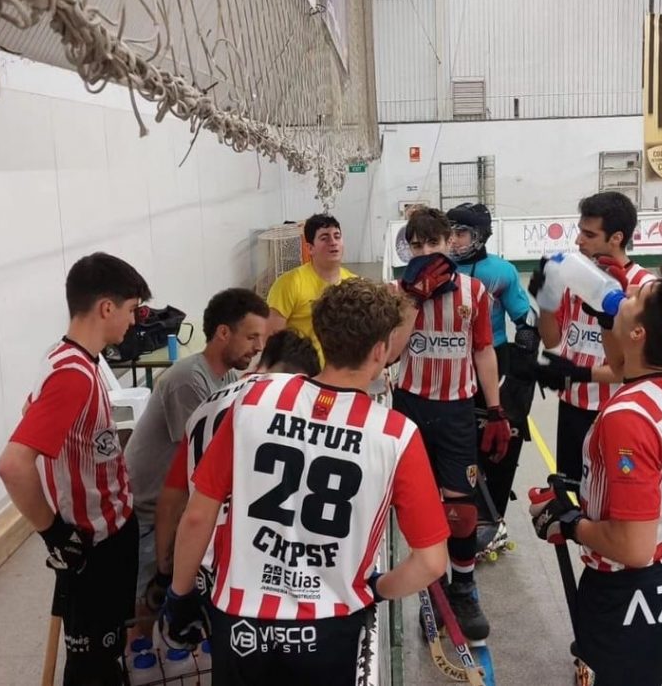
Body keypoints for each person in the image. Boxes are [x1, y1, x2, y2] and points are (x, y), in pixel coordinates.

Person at [158, 279, 449, 685]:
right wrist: (377, 589)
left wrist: (180, 594)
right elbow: (431, 562)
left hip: (242, 621)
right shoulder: (396, 435)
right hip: (330, 626)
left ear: (323, 338)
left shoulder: (252, 403)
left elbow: (197, 515)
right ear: (381, 350)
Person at [530, 260, 662, 686]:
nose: (627, 294)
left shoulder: (628, 419)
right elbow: (622, 367)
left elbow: (633, 547)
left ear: (638, 335)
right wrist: (608, 319)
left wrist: (570, 523)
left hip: (628, 590)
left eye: (636, 297)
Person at [0, 252, 151, 686]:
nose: (133, 321)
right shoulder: (72, 376)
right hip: (93, 543)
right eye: (131, 310)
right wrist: (56, 535)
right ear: (106, 307)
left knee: (106, 654)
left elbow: (42, 425)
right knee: (92, 666)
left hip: (110, 529)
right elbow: (13, 465)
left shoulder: (72, 358)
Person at [392, 206, 512, 640]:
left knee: (461, 505)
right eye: (417, 244)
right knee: (419, 502)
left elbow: (482, 349)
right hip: (410, 405)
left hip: (457, 409)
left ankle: (463, 587)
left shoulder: (475, 292)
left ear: (449, 244)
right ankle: (434, 586)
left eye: (434, 242)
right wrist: (412, 301)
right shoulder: (396, 292)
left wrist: (495, 409)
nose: (426, 251)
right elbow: (389, 354)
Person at [124, 288, 269, 634]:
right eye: (251, 337)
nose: (258, 347)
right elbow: (199, 464)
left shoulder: (227, 377)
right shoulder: (188, 381)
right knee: (146, 609)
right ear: (223, 333)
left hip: (174, 509)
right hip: (150, 515)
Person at [144, 329, 322, 609]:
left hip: (200, 562)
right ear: (303, 377)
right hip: (264, 570)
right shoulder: (293, 411)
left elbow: (172, 501)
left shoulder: (205, 407)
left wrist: (166, 574)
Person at [528, 191, 654, 486]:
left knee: (609, 497)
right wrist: (545, 302)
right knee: (570, 494)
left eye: (589, 234)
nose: (578, 241)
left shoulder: (644, 288)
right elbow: (552, 341)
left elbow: (640, 369)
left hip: (616, 411)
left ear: (616, 238)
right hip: (572, 406)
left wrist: (578, 373)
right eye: (580, 231)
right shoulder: (574, 277)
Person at [445, 202, 536, 546]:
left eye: (461, 232)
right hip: (450, 357)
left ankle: (491, 515)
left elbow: (523, 316)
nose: (453, 239)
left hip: (491, 358)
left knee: (492, 437)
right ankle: (455, 507)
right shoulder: (439, 268)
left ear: (480, 236)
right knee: (454, 438)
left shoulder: (501, 271)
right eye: (450, 232)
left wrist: (526, 335)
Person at [267, 213, 355, 365]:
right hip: (303, 372)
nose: (333, 242)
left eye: (337, 236)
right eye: (324, 238)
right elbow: (272, 338)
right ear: (309, 248)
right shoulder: (289, 283)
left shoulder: (354, 284)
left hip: (343, 371)